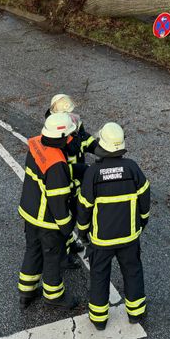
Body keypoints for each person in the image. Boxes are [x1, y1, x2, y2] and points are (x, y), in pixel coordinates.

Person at [77, 123, 150, 330]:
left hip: (102, 239)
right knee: (133, 271)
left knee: (99, 274)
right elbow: (145, 195)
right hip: (129, 236)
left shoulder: (93, 173)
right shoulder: (132, 168)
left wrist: (83, 231)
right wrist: (142, 220)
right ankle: (136, 313)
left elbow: (84, 207)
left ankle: (99, 319)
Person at [17, 112, 78, 310]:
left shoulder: (36, 143)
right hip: (47, 220)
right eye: (69, 136)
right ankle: (53, 296)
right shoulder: (56, 165)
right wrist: (67, 227)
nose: (71, 139)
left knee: (32, 250)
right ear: (60, 138)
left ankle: (26, 291)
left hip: (30, 212)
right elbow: (58, 202)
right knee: (52, 255)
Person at [46, 93, 95, 260]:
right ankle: (63, 255)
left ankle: (71, 243)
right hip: (64, 184)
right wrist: (84, 169)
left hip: (77, 182)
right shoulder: (56, 134)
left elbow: (84, 140)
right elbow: (60, 168)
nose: (71, 118)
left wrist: (101, 148)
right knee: (62, 221)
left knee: (75, 216)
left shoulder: (74, 124)